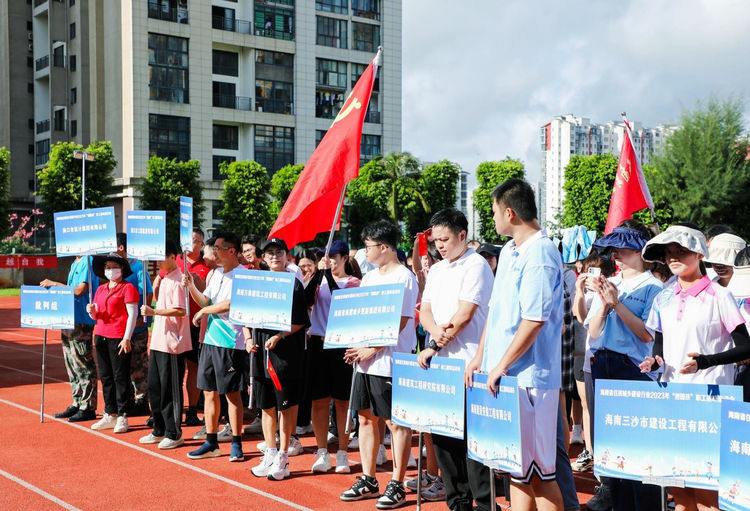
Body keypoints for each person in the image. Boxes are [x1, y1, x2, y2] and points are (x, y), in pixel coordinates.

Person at [465, 178, 569, 511]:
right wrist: (481, 357)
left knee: (540, 476)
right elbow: (496, 310)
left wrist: (501, 365)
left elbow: (534, 320)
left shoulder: (540, 252)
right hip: (506, 377)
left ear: (509, 213)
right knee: (517, 471)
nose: (493, 218)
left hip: (530, 380)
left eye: (494, 211)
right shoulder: (510, 251)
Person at [639, 224, 750, 511]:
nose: (673, 257)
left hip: (710, 405)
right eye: (668, 252)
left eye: (681, 251)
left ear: (700, 254)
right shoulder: (663, 297)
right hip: (672, 403)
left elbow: (745, 347)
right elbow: (660, 344)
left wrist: (705, 361)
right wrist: (655, 360)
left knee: (707, 495)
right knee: (679, 490)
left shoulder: (719, 295)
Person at [417, 208, 494, 511]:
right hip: (442, 367)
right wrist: (435, 335)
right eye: (436, 241)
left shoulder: (476, 265)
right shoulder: (437, 270)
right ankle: (458, 503)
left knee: (474, 444)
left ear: (462, 235)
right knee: (445, 442)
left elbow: (464, 315)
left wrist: (434, 343)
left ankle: (485, 505)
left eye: (445, 239)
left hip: (471, 366)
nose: (440, 246)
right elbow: (425, 311)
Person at [340, 220, 418, 510]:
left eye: (368, 246)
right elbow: (362, 316)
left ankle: (397, 484)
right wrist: (354, 344)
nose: (365, 251)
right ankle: (369, 478)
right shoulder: (370, 277)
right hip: (366, 362)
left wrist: (370, 349)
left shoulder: (404, 277)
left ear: (384, 247)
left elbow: (401, 322)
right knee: (365, 419)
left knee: (395, 423)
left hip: (390, 361)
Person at [585, 220, 663, 511]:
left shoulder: (653, 286)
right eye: (614, 249)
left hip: (632, 368)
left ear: (640, 250)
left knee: (638, 446)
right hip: (603, 364)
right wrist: (605, 304)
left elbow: (647, 334)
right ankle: (615, 500)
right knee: (612, 445)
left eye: (624, 249)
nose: (616, 255)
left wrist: (616, 303)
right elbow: (594, 331)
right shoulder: (611, 282)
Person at [249, 237, 310, 481]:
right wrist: (247, 338)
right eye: (270, 252)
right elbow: (245, 314)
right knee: (266, 406)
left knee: (285, 407)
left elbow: (302, 321)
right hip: (260, 353)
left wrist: (279, 336)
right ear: (263, 258)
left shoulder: (293, 284)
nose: (275, 256)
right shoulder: (258, 283)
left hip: (285, 356)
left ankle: (284, 457)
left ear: (287, 257)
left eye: (279, 252)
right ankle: (270, 452)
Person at [184, 230, 246, 463]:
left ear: (231, 251)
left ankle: (236, 443)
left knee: (231, 394)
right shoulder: (216, 273)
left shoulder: (243, 274)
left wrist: (204, 311)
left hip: (231, 342)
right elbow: (206, 301)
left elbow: (229, 304)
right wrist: (191, 286)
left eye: (217, 248)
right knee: (209, 391)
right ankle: (211, 442)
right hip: (210, 339)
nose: (213, 252)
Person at [305, 240, 361, 474]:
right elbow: (305, 300)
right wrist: (319, 276)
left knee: (342, 402)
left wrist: (327, 275)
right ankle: (321, 452)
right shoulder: (318, 281)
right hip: (318, 344)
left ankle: (343, 452)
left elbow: (342, 303)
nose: (327, 261)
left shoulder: (354, 283)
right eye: (323, 257)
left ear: (344, 258)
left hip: (342, 346)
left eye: (333, 257)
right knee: (318, 401)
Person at [139, 240, 191, 449]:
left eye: (161, 257)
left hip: (172, 344)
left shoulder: (179, 280)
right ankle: (159, 429)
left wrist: (154, 311)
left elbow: (181, 310)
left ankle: (173, 432)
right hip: (158, 342)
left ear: (172, 257)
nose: (158, 262)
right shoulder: (165, 278)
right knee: (155, 387)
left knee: (170, 389)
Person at [155, 227, 209, 427]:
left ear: (201, 244)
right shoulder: (174, 261)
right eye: (187, 239)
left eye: (195, 240)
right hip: (175, 325)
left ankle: (192, 409)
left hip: (196, 323)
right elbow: (158, 282)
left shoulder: (207, 264)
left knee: (194, 366)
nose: (190, 243)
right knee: (173, 369)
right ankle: (168, 410)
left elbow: (207, 293)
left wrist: (195, 282)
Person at [570, 254, 616, 477]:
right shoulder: (587, 294)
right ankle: (590, 451)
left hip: (611, 357)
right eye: (588, 272)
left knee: (607, 408)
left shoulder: (615, 291)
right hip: (587, 354)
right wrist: (579, 291)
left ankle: (607, 456)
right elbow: (580, 317)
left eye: (596, 272)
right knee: (587, 405)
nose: (592, 277)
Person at [40, 255, 99, 422]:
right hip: (68, 318)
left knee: (83, 363)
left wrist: (55, 284)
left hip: (81, 320)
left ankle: (88, 406)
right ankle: (77, 401)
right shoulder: (75, 262)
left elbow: (80, 290)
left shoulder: (88, 261)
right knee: (71, 364)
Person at [87, 254, 139, 434]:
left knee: (120, 377)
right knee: (106, 377)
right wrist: (91, 311)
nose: (110, 270)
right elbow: (96, 315)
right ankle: (110, 413)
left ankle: (123, 415)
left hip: (119, 337)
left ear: (122, 268)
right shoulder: (100, 289)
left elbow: (132, 315)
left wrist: (127, 337)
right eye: (107, 267)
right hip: (101, 335)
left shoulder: (128, 288)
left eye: (114, 266)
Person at [115, 232, 154, 417]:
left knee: (138, 363)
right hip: (120, 326)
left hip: (136, 326)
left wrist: (142, 317)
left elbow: (148, 292)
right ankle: (128, 398)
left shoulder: (137, 267)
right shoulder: (116, 268)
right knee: (123, 363)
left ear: (121, 247)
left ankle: (142, 399)